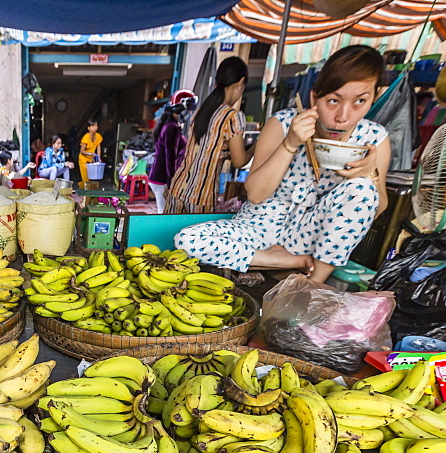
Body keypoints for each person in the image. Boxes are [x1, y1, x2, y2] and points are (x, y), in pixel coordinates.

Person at [174, 46, 391, 284]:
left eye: (360, 101)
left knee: (361, 188)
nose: (343, 116)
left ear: (375, 97)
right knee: (188, 240)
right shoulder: (283, 123)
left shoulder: (373, 138)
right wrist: (290, 144)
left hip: (310, 235)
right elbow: (255, 194)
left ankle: (312, 284)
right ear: (314, 97)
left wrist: (370, 174)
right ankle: (282, 260)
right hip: (260, 225)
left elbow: (374, 208)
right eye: (333, 100)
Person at [165, 58, 250, 214]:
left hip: (177, 189)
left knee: (166, 238)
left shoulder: (202, 111)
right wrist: (255, 147)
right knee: (192, 239)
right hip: (201, 196)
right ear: (241, 83)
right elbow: (239, 161)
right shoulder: (232, 116)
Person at [150, 91, 194, 213]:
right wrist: (171, 183)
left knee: (164, 211)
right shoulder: (172, 128)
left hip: (159, 176)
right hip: (162, 177)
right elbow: (170, 157)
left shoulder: (170, 125)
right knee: (163, 212)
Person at [78, 120, 103, 187]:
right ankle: (85, 193)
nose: (95, 128)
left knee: (91, 178)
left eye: (96, 126)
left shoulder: (98, 136)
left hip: (91, 160)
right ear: (88, 128)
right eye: (93, 126)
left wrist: (98, 159)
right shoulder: (85, 137)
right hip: (83, 160)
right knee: (86, 178)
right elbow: (82, 151)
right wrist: (90, 154)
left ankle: (82, 188)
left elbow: (98, 148)